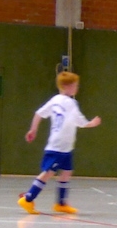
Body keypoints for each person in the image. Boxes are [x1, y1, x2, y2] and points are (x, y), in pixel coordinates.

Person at [19, 71, 101, 215]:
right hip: (59, 146)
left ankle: (61, 203)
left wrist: (33, 130)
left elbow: (38, 114)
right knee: (48, 173)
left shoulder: (54, 100)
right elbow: (80, 121)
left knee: (67, 171)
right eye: (75, 85)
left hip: (65, 147)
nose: (77, 88)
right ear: (66, 86)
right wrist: (91, 123)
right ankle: (28, 199)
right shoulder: (71, 103)